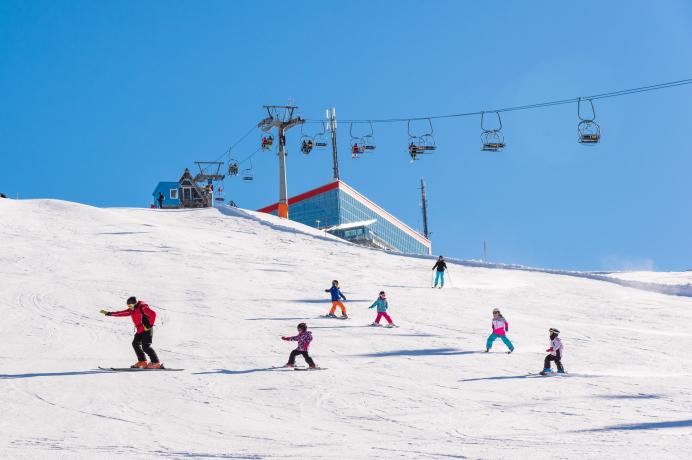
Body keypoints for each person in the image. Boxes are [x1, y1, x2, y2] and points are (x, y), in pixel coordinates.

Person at [100, 296, 162, 369]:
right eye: (128, 306)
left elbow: (153, 314)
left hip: (146, 329)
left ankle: (156, 362)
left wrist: (149, 325)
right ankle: (142, 361)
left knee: (146, 347)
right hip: (139, 330)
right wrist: (109, 313)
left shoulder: (142, 307)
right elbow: (121, 313)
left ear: (135, 303)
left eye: (131, 305)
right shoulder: (131, 310)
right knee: (135, 344)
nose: (130, 307)